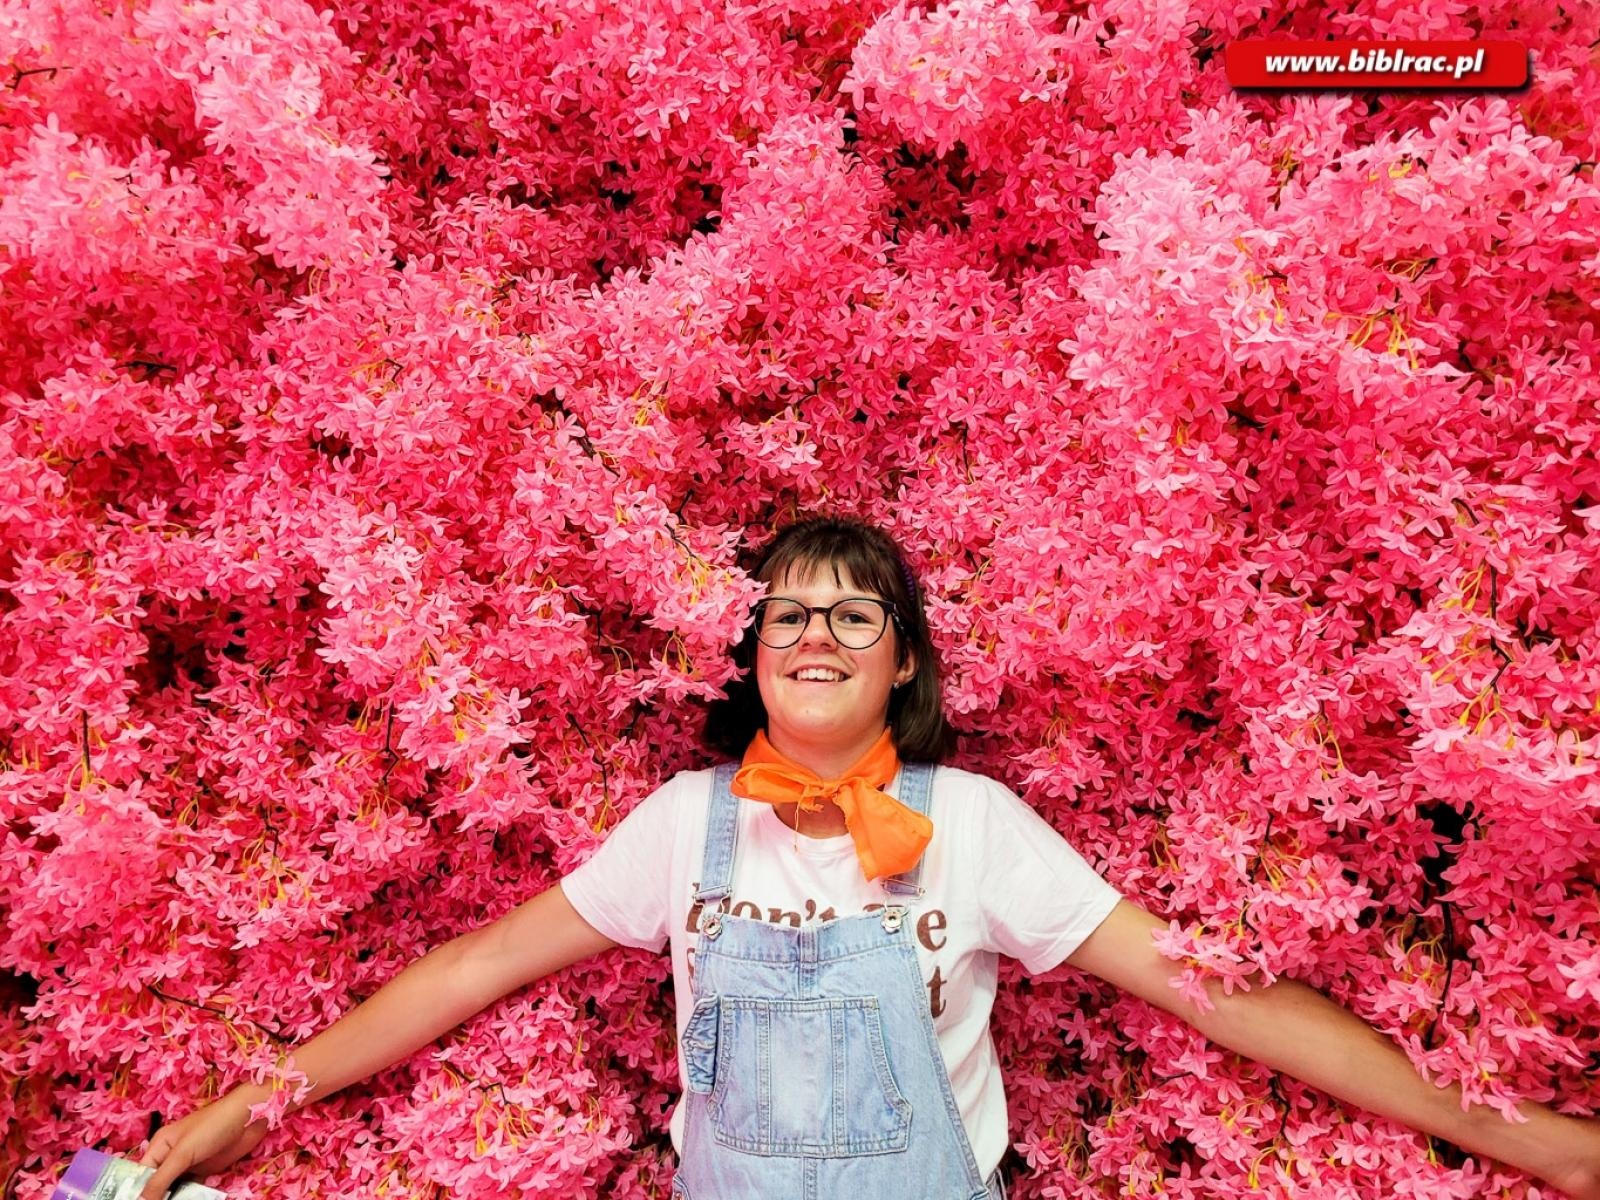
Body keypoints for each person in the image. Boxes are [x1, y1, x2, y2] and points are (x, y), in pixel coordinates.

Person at [133, 518, 1600, 1200]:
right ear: (755, 660)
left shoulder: (972, 828)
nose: (817, 632)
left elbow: (1216, 996)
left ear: (902, 668)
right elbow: (469, 970)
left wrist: (1520, 1139)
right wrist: (245, 1106)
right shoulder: (682, 824)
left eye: (855, 614)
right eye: (788, 613)